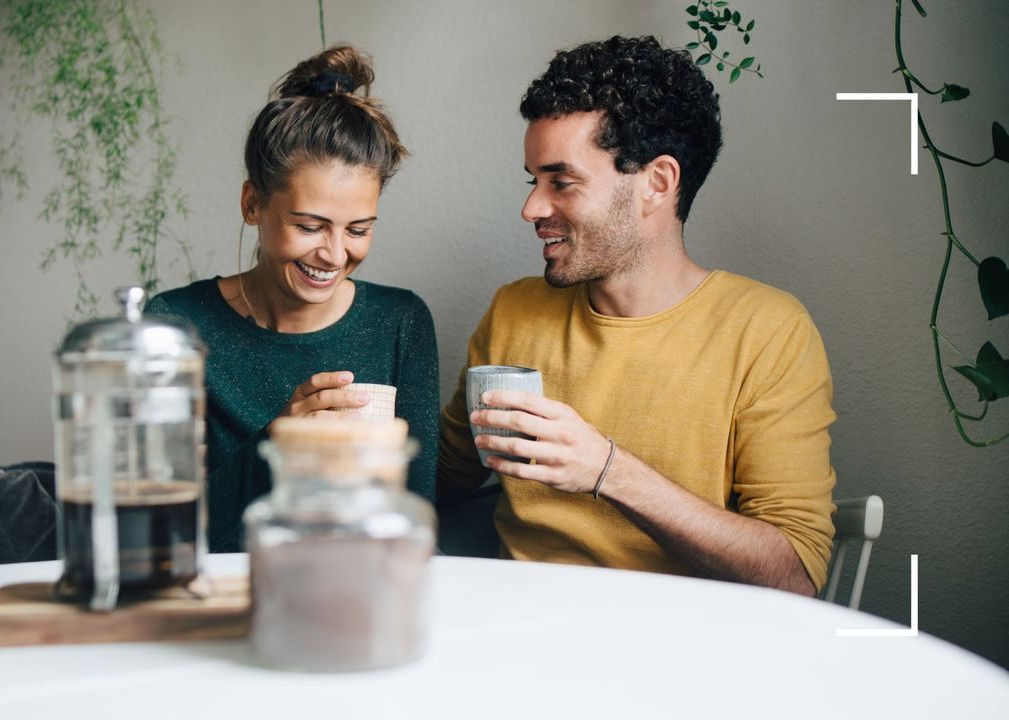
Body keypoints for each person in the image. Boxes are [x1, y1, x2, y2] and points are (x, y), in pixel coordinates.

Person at [438, 36, 836, 595]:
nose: (532, 207)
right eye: (534, 181)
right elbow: (442, 478)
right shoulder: (515, 311)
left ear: (658, 182)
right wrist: (332, 434)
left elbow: (793, 576)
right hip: (519, 638)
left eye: (562, 182)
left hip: (683, 651)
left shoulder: (766, 332)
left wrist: (607, 471)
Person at [145, 46, 438, 553]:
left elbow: (416, 524)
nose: (334, 254)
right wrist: (277, 447)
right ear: (252, 203)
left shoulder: (401, 322)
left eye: (359, 229)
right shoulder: (173, 327)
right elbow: (158, 531)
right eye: (309, 226)